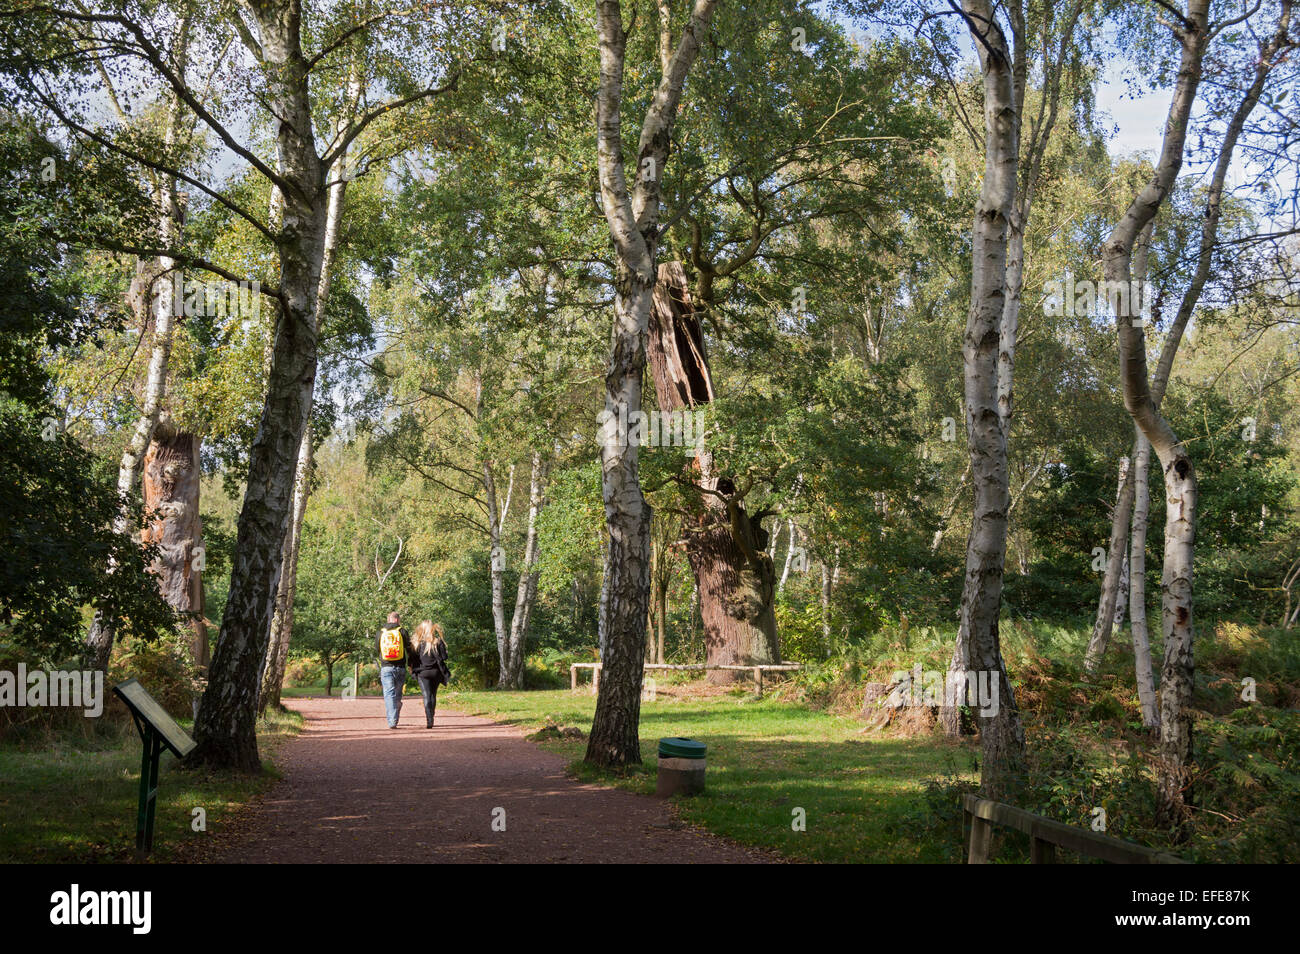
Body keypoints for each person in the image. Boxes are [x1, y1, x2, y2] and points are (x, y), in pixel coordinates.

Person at [375, 611, 413, 729]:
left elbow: (377, 649)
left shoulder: (381, 632)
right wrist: (411, 665)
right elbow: (409, 649)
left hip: (386, 667)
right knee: (397, 694)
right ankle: (395, 715)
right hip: (400, 667)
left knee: (389, 694)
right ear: (397, 620)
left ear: (389, 619)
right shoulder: (402, 631)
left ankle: (392, 720)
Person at [409, 620, 449, 729]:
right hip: (436, 672)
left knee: (426, 695)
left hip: (422, 673)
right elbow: (445, 657)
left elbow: (411, 660)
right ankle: (432, 716)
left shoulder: (416, 643)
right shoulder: (437, 642)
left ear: (421, 629)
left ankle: (429, 720)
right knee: (433, 695)